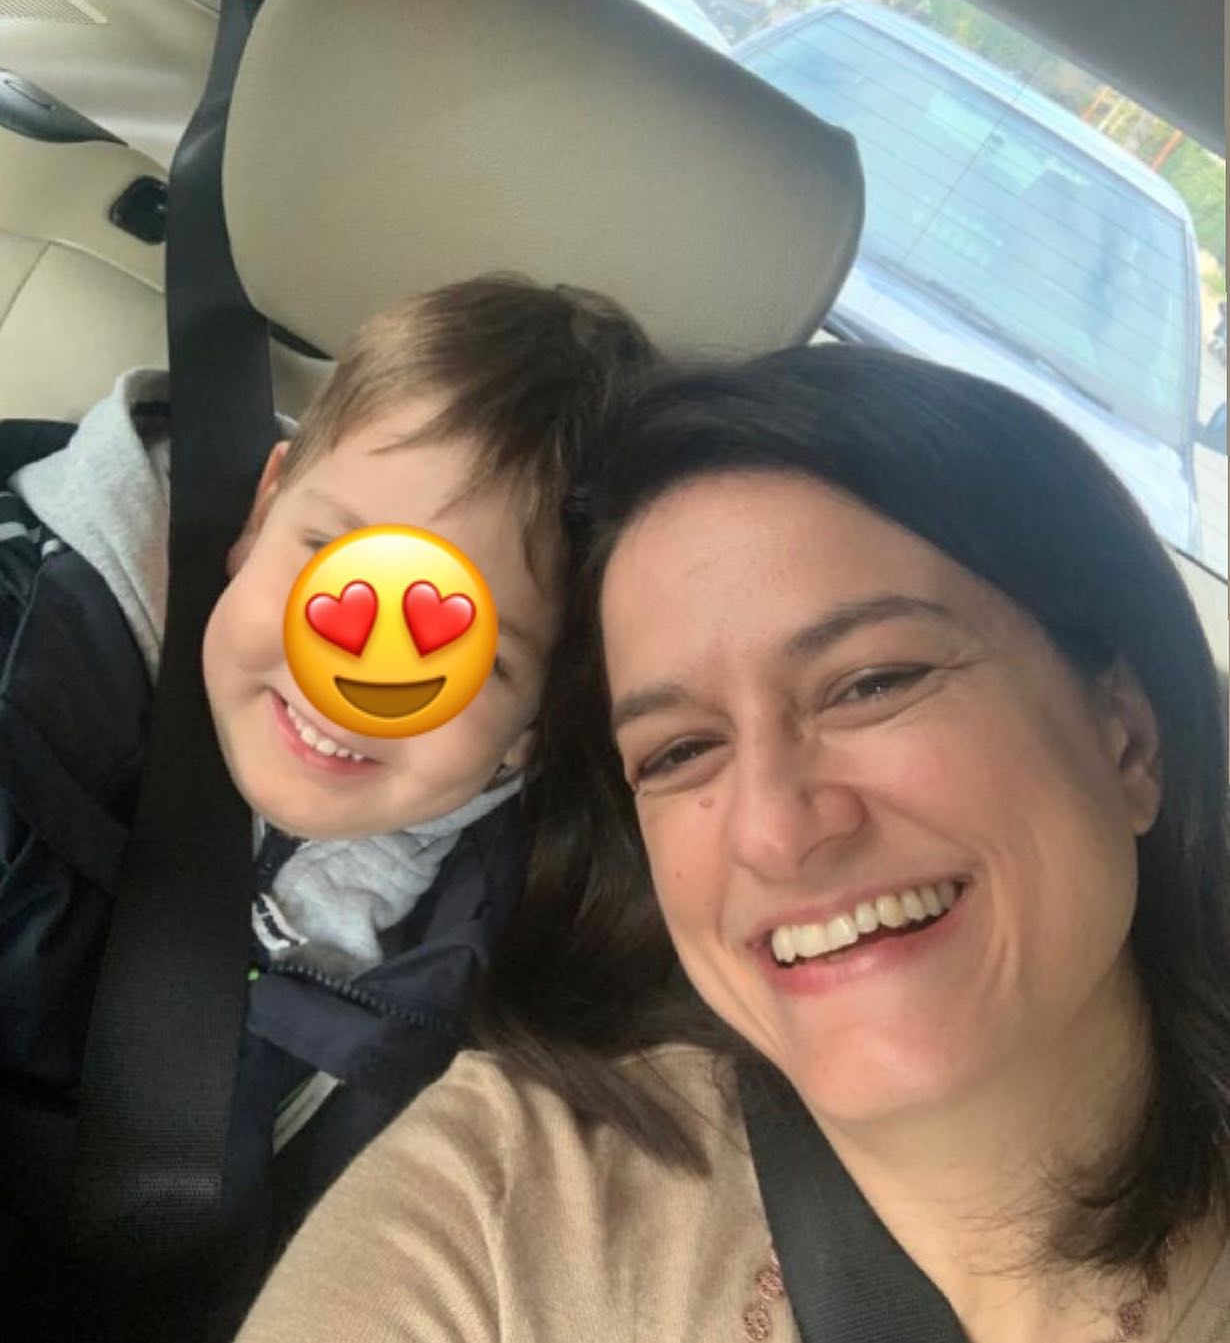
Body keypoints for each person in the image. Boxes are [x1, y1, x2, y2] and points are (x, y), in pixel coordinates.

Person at [238, 344, 1230, 1343]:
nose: (776, 831)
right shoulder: (497, 1203)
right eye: (680, 751)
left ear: (1126, 735)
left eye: (872, 683)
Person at [0, 275, 655, 1337]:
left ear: (537, 723)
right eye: (337, 566)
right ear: (263, 513)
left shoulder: (509, 950)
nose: (356, 678)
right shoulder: (31, 666)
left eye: (470, 654)